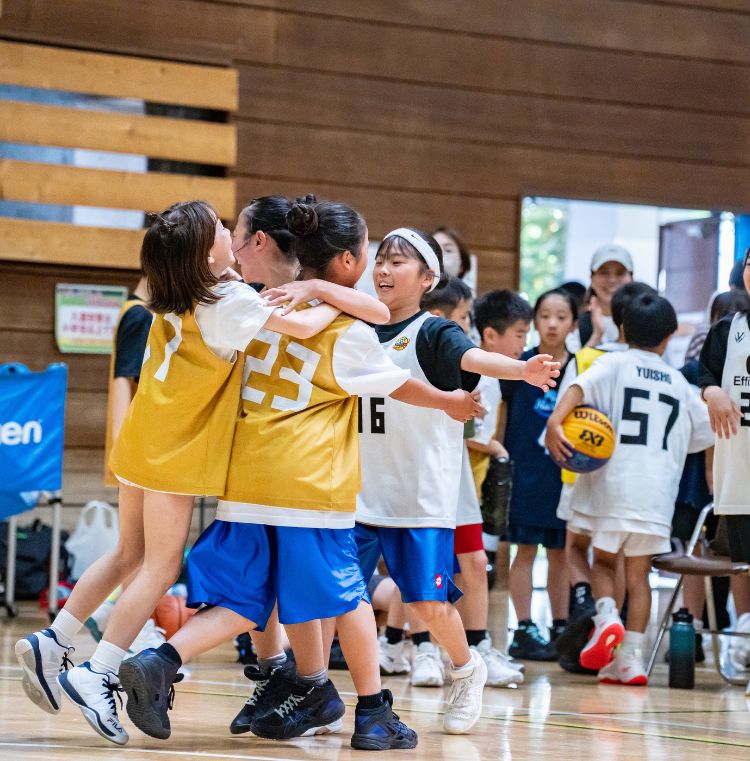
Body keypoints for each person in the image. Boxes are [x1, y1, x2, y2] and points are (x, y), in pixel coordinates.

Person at [118, 201, 481, 750]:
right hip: (308, 483)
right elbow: (398, 383)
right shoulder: (343, 328)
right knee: (347, 597)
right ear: (351, 260)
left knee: (249, 598)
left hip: (245, 478)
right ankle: (372, 711)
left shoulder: (256, 308)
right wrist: (450, 401)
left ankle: (183, 663)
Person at [14, 200, 353, 746]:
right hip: (174, 449)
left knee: (127, 553)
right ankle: (99, 671)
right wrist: (331, 293)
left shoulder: (172, 294)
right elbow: (306, 327)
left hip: (141, 437)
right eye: (220, 229)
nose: (229, 232)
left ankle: (53, 641)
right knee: (159, 565)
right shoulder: (228, 299)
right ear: (205, 254)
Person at [355, 227, 559, 734]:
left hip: (419, 496)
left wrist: (520, 369)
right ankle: (326, 691)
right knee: (338, 598)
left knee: (427, 603)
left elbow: (473, 359)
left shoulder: (434, 332)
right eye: (381, 260)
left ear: (428, 279)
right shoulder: (358, 328)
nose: (384, 269)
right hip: (357, 492)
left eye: (398, 262)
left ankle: (467, 670)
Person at [546, 293, 713, 685]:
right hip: (657, 496)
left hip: (614, 485)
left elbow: (579, 388)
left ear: (621, 329)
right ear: (669, 337)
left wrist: (556, 421)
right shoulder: (678, 381)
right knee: (640, 579)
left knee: (603, 562)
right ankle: (631, 661)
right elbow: (703, 434)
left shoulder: (613, 363)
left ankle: (606, 617)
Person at [413, 278, 524, 688]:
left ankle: (478, 648)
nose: (467, 327)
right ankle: (422, 649)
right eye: (462, 318)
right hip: (416, 473)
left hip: (455, 475)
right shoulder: (404, 351)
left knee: (476, 563)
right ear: (437, 317)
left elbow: (472, 427)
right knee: (422, 567)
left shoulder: (473, 364)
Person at [554, 282, 656, 673]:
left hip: (584, 473)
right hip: (637, 482)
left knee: (577, 550)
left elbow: (563, 411)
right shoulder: (656, 370)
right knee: (626, 566)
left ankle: (598, 611)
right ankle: (625, 655)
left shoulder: (589, 359)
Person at [501, 289, 577, 661]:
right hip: (525, 474)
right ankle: (524, 628)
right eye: (545, 315)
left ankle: (561, 626)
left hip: (563, 477)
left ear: (573, 323)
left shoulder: (581, 368)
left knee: (561, 553)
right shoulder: (520, 365)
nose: (552, 323)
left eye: (561, 316)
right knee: (526, 550)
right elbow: (502, 417)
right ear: (534, 321)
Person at [698, 248, 750, 691]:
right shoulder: (727, 329)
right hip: (739, 473)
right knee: (744, 566)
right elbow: (704, 373)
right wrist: (712, 391)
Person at [574, 244, 634, 350]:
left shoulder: (642, 321)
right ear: (591, 278)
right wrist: (597, 335)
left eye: (620, 273)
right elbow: (574, 361)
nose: (612, 280)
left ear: (631, 278)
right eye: (604, 272)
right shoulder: (576, 324)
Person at [432, 226, 476, 294]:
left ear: (461, 266)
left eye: (448, 250)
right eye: (434, 249)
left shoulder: (467, 299)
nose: (440, 254)